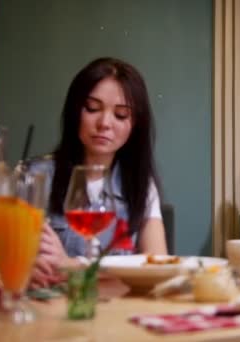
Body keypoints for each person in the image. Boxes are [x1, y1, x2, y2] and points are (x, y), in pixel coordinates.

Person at [28, 57, 167, 288]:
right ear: (75, 112)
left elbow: (158, 268)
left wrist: (70, 265)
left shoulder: (141, 185)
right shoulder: (37, 177)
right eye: (92, 108)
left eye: (121, 114)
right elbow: (5, 262)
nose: (104, 123)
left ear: (135, 125)